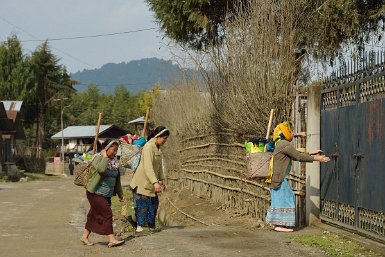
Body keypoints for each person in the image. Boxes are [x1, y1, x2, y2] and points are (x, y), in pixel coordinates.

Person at [266, 121, 330, 232]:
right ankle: (280, 225)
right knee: (286, 199)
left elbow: (295, 155)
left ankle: (279, 225)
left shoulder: (280, 143)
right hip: (279, 179)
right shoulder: (284, 144)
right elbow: (298, 156)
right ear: (285, 131)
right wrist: (317, 159)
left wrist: (311, 153)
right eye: (291, 130)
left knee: (282, 199)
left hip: (277, 178)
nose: (292, 133)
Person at [80, 139, 125, 247]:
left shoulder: (115, 162)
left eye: (116, 150)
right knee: (107, 214)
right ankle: (112, 239)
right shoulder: (98, 158)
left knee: (93, 216)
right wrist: (104, 157)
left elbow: (117, 180)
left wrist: (120, 193)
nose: (115, 153)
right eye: (113, 150)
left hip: (107, 195)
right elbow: (101, 170)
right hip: (95, 193)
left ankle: (84, 236)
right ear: (106, 149)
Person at [129, 126, 170, 236]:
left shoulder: (157, 148)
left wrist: (162, 180)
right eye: (164, 138)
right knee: (142, 204)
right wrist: (155, 182)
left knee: (154, 204)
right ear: (158, 136)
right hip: (142, 182)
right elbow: (148, 167)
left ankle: (144, 224)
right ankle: (139, 228)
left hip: (150, 182)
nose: (165, 141)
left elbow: (159, 166)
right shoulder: (148, 147)